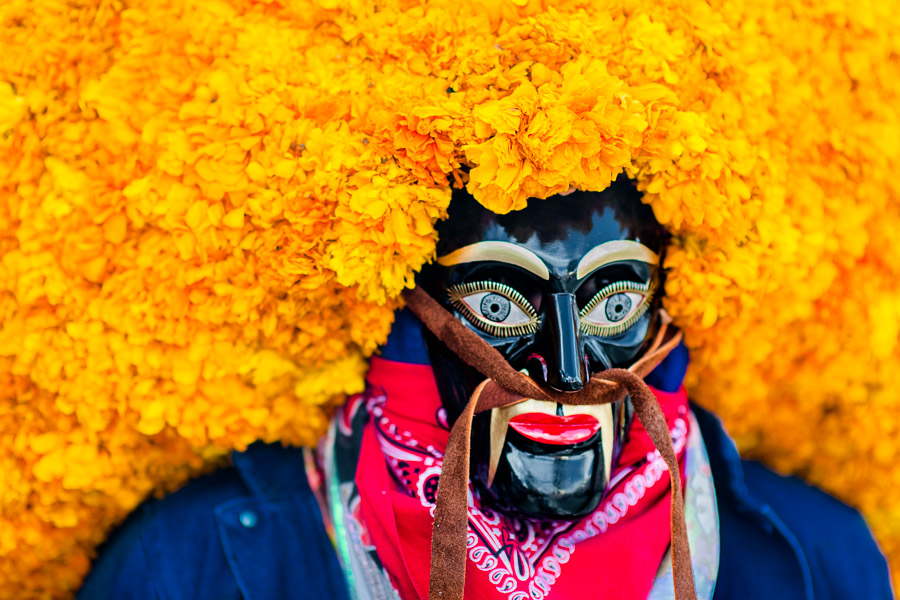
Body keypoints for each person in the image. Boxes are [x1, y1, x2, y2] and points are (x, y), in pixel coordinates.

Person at [77, 179, 893, 600]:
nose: (567, 372)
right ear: (397, 305)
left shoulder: (821, 560)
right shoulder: (186, 565)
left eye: (615, 302)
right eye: (498, 305)